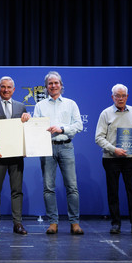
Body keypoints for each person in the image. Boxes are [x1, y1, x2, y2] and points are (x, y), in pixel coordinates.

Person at [33, 71, 84, 235]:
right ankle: (53, 222)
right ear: (46, 87)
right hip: (46, 147)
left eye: (56, 83)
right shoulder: (40, 106)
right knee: (48, 187)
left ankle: (74, 222)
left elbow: (79, 125)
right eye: (50, 83)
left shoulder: (71, 104)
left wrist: (62, 128)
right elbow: (35, 127)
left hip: (66, 146)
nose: (53, 86)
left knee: (72, 187)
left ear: (61, 85)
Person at [95, 83, 132, 235]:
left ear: (127, 97)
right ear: (112, 97)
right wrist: (114, 149)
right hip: (111, 158)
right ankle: (115, 224)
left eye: (123, 95)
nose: (120, 98)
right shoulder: (105, 114)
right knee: (113, 192)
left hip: (129, 158)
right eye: (117, 96)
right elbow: (98, 138)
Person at [0, 76, 31, 235]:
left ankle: (18, 223)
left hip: (16, 156)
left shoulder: (21, 106)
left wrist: (28, 120)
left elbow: (26, 130)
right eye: (3, 87)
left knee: (17, 190)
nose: (6, 90)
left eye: (9, 87)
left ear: (14, 89)